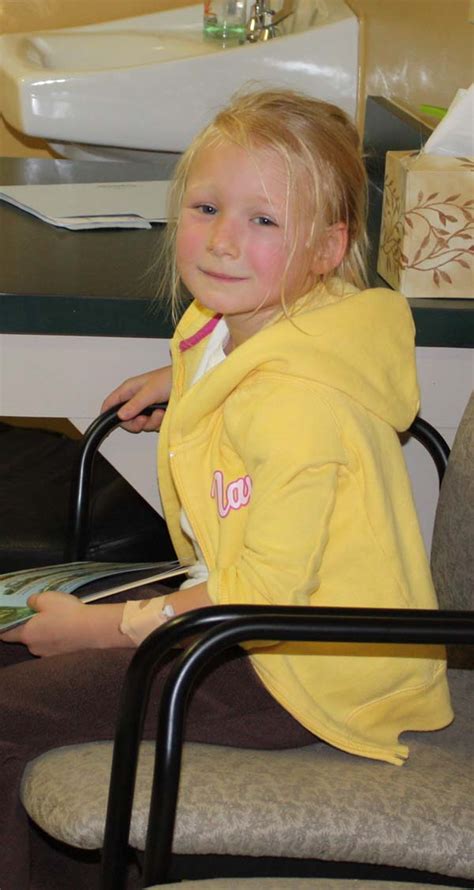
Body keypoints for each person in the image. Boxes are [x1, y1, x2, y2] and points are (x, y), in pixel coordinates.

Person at [0, 88, 452, 890]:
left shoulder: (298, 404)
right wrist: (183, 384)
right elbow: (243, 372)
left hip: (299, 666)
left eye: (263, 220)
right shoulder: (234, 327)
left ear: (327, 247)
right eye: (206, 207)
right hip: (250, 615)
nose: (222, 241)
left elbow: (262, 592)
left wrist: (104, 629)